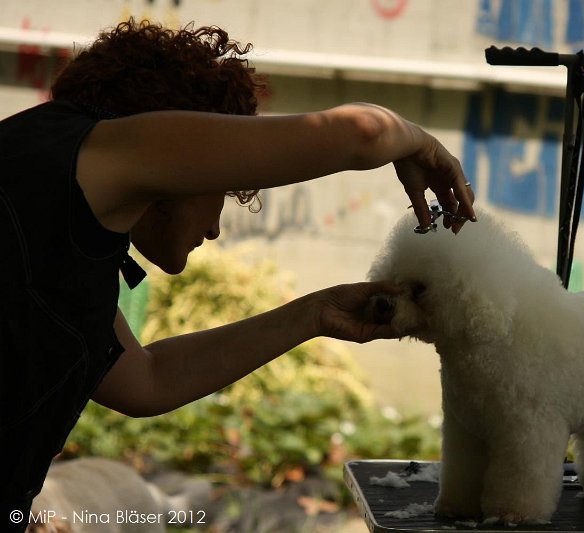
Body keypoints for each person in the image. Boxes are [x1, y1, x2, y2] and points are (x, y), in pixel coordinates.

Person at [0, 18, 475, 530]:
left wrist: (316, 314)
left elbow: (147, 381)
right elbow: (362, 133)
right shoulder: (95, 150)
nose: (215, 229)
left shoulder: (59, 220)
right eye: (221, 189)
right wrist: (420, 144)